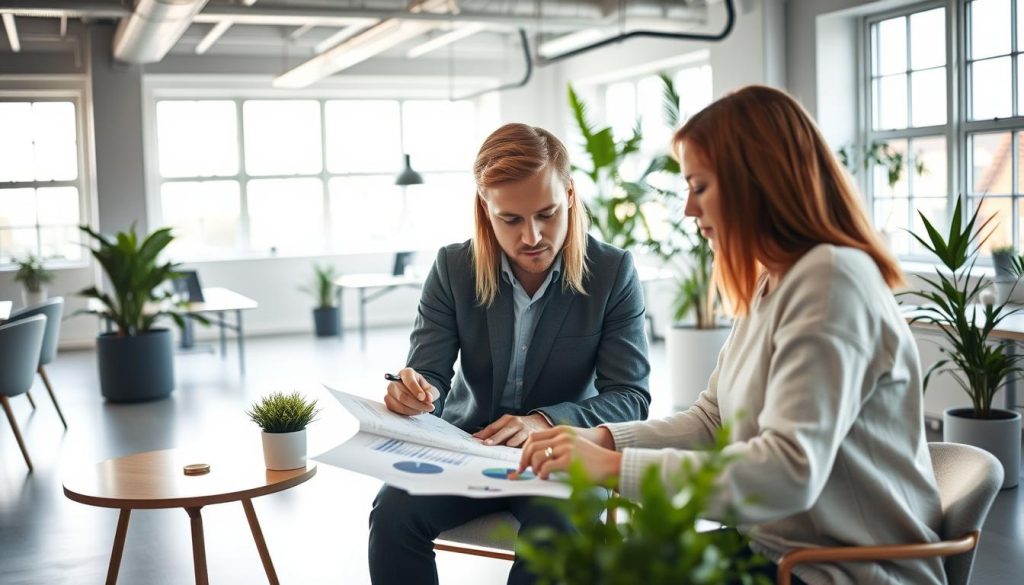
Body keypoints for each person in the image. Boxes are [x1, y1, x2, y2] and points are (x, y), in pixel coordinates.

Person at [519, 86, 946, 585]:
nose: (687, 210)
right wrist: (601, 437)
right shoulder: (777, 279)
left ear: (755, 183)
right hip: (773, 549)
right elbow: (712, 419)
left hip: (839, 569)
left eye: (699, 186)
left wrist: (613, 467)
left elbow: (789, 472)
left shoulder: (831, 280)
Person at [368, 123, 652, 585]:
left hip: (560, 456)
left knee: (556, 538)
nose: (532, 237)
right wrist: (416, 392)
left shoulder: (612, 272)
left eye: (547, 214)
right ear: (486, 209)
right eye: (512, 220)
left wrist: (542, 421)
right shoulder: (453, 268)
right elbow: (429, 373)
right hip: (466, 448)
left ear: (571, 197)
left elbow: (630, 397)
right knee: (392, 513)